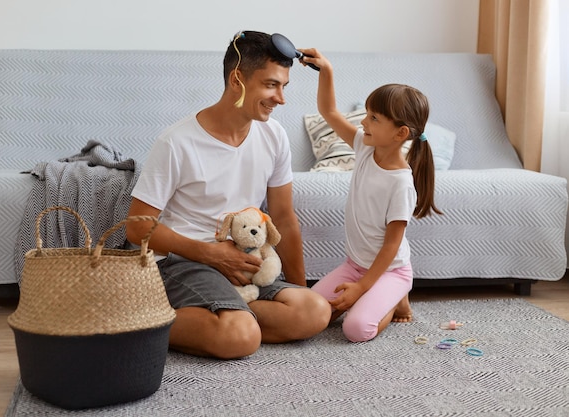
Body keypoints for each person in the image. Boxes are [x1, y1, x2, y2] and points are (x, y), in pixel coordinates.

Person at [126, 31, 331, 359]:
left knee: (315, 311)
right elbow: (137, 227)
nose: (281, 98)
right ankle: (134, 320)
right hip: (185, 263)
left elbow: (283, 219)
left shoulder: (274, 135)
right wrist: (210, 254)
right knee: (242, 338)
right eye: (271, 85)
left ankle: (231, 318)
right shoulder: (177, 142)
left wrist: (297, 290)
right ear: (237, 79)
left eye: (284, 86)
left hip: (245, 263)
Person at [298, 49, 442, 343]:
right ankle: (378, 297)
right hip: (355, 265)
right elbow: (330, 112)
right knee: (309, 314)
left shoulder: (401, 183)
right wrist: (326, 70)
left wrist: (362, 288)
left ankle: (395, 297)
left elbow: (391, 247)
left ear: (400, 133)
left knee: (356, 329)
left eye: (374, 118)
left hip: (391, 271)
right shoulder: (365, 147)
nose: (364, 122)